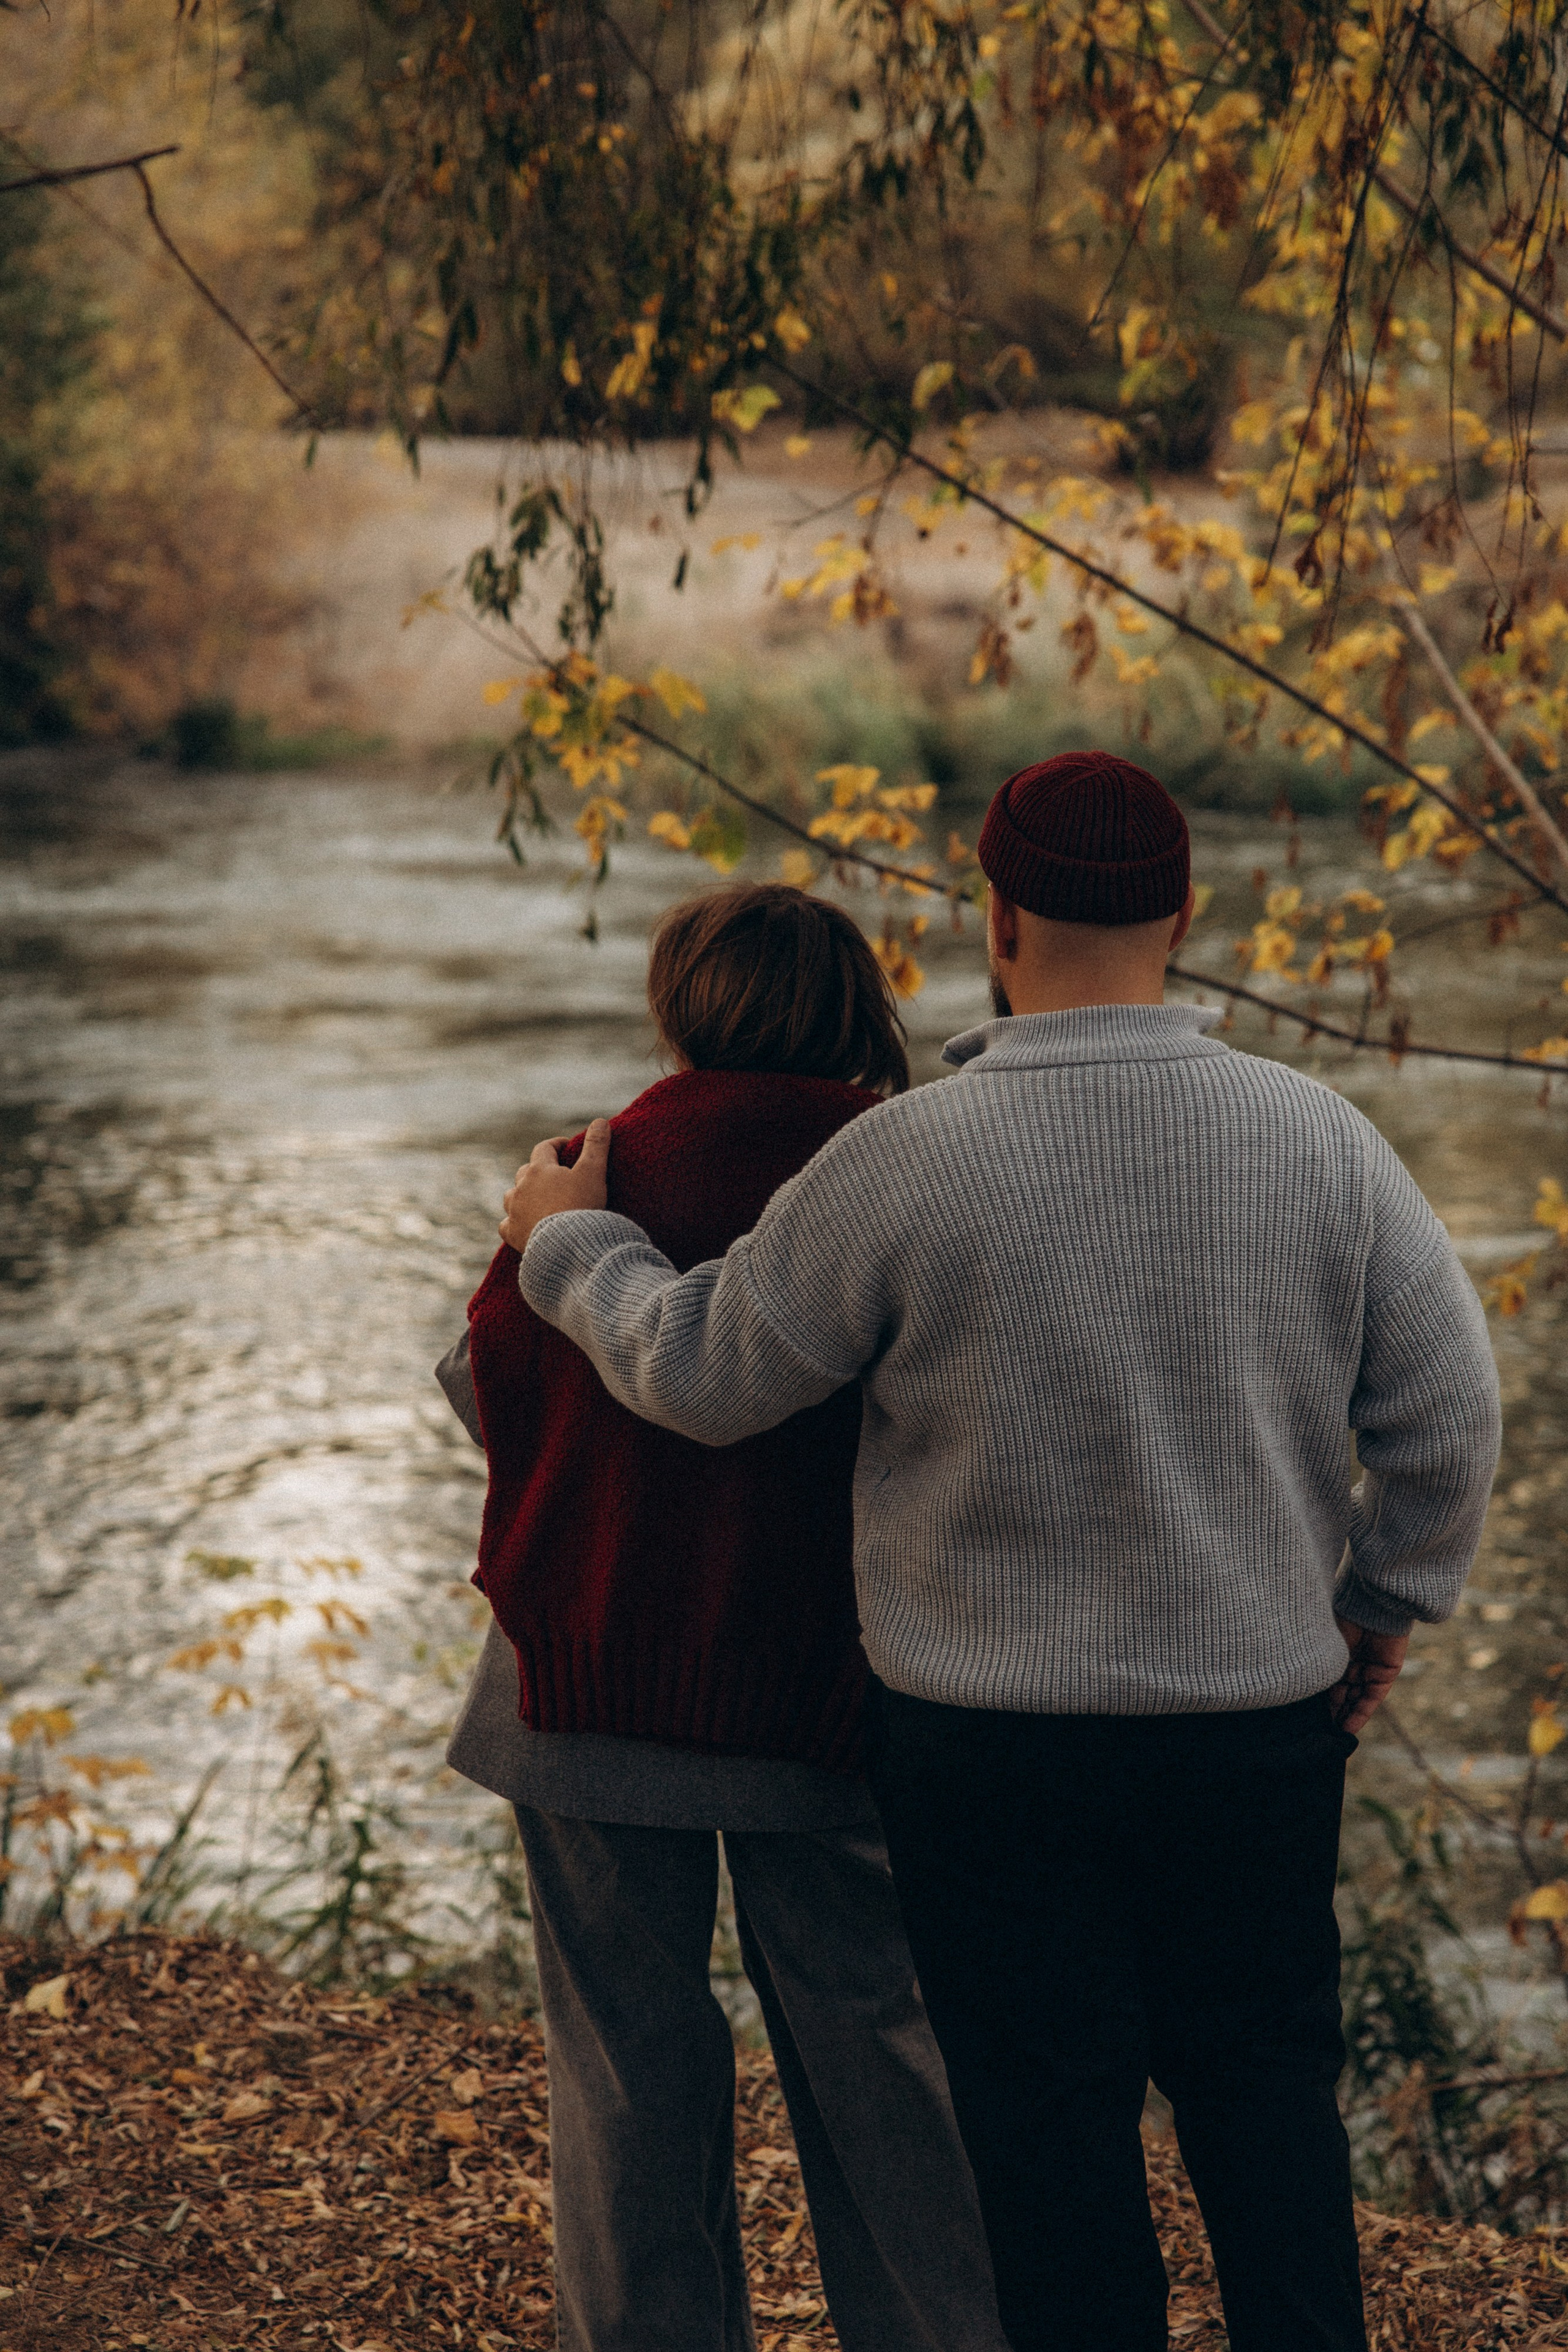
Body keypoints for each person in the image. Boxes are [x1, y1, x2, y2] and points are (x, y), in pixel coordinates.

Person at [497, 752, 1503, 2352]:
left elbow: (701, 1372)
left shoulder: (904, 1161)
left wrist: (571, 1246)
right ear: (1184, 912)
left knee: (1047, 2136)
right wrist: (1385, 1603)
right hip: (1250, 1729)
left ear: (996, 914)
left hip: (984, 1750)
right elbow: (1450, 1420)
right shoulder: (1321, 1142)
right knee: (1265, 2105)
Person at [435, 881, 1005, 2352]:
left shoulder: (588, 1167)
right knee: (880, 2049)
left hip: (579, 1675)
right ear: (850, 1007)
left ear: (681, 1004)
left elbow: (479, 1388)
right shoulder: (896, 1173)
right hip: (821, 1691)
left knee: (624, 2066)